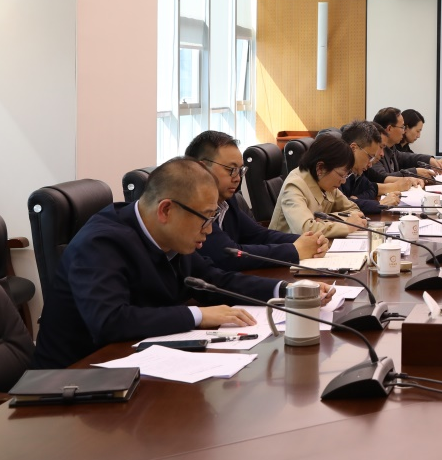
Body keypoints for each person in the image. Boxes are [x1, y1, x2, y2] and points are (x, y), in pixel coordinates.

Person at [33, 158, 331, 369]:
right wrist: (198, 315)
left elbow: (215, 280)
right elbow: (110, 322)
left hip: (135, 364)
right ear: (166, 210)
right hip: (71, 384)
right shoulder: (101, 243)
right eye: (206, 218)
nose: (210, 230)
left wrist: (288, 291)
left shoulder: (171, 236)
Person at [186, 131, 329, 270]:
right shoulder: (192, 207)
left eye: (241, 171)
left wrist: (310, 240)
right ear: (202, 168)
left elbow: (259, 235)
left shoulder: (227, 201)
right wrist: (294, 250)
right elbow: (228, 256)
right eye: (231, 169)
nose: (237, 178)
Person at [270, 134, 365, 239]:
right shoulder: (294, 186)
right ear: (320, 168)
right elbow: (305, 230)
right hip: (286, 246)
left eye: (346, 175)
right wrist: (346, 226)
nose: (343, 181)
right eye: (341, 175)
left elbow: (354, 210)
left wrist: (326, 220)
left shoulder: (326, 183)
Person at [337, 120, 401, 216]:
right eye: (370, 157)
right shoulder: (335, 169)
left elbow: (371, 189)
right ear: (353, 148)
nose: (370, 164)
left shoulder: (355, 172)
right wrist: (380, 204)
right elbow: (340, 204)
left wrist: (358, 199)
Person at [369, 107, 442, 182]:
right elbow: (382, 178)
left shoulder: (391, 148)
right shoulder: (374, 151)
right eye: (402, 127)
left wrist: (429, 159)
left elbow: (406, 157)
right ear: (389, 128)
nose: (404, 131)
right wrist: (415, 172)